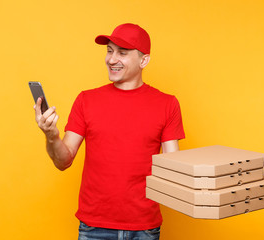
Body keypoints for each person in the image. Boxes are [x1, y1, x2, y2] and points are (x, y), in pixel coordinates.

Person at [34, 23, 185, 240]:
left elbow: (174, 167)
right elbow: (63, 161)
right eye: (109, 51)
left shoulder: (167, 104)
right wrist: (51, 135)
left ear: (144, 60)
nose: (111, 59)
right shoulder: (86, 100)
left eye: (122, 53)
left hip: (144, 227)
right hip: (94, 227)